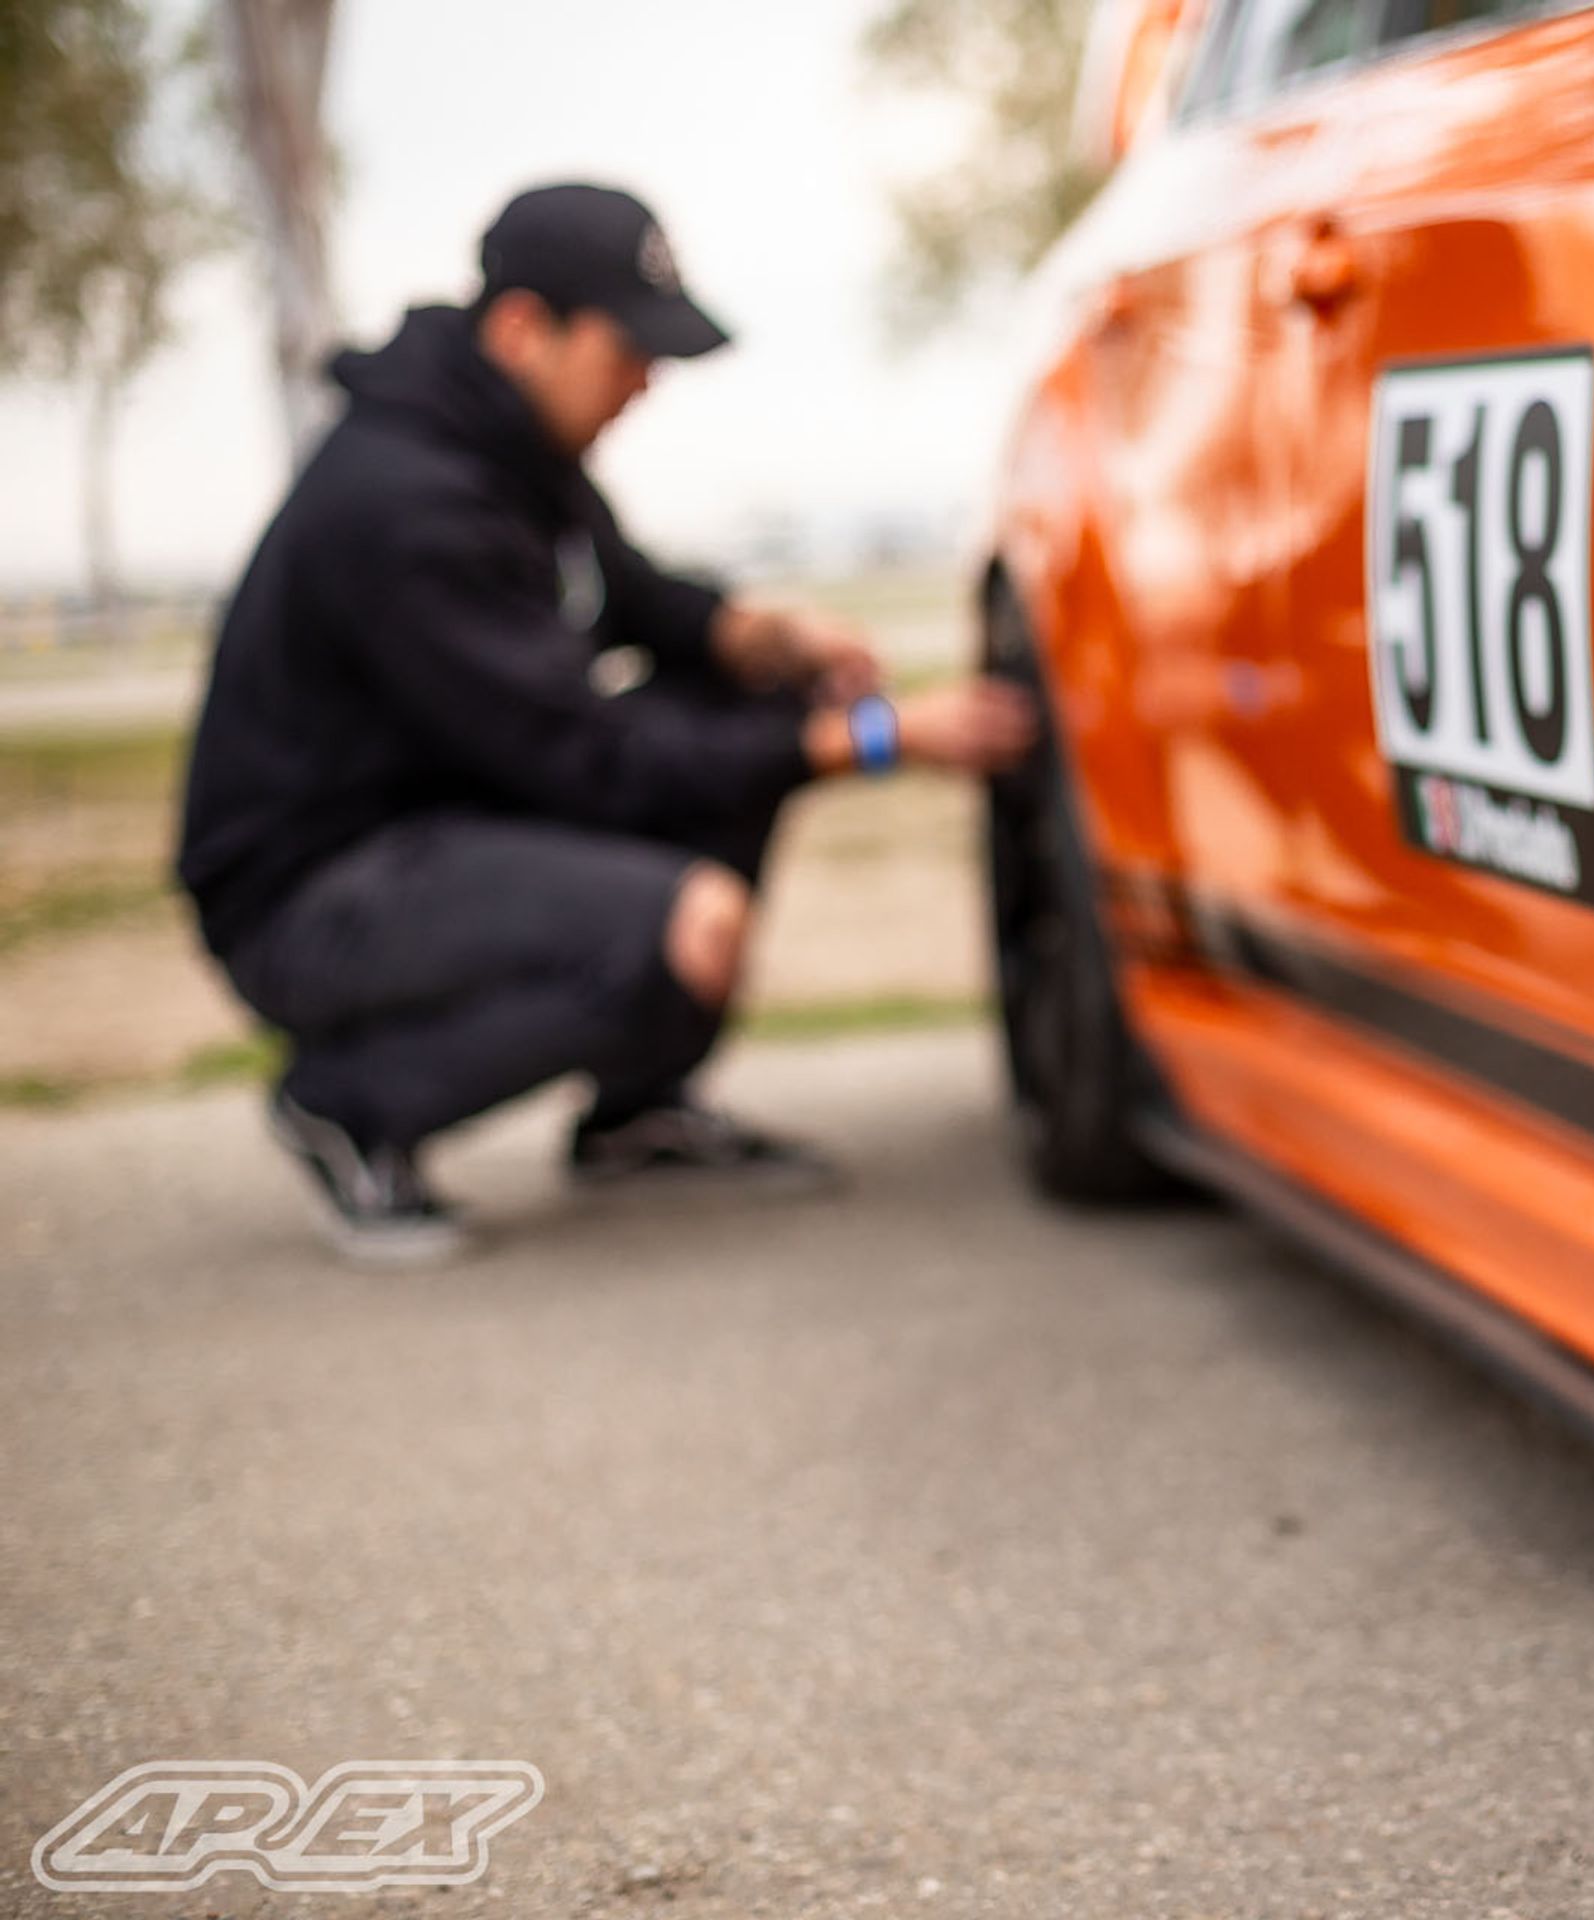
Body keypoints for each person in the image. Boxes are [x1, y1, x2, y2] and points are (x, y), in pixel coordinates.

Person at [176, 182, 1034, 1266]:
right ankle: (348, 1105)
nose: (646, 382)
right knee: (682, 922)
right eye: (629, 350)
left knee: (755, 708)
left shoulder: (517, 456)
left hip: (448, 822)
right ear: (522, 330)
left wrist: (770, 638)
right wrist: (874, 739)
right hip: (311, 891)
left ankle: (637, 1116)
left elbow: (636, 600)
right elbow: (587, 759)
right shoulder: (404, 501)